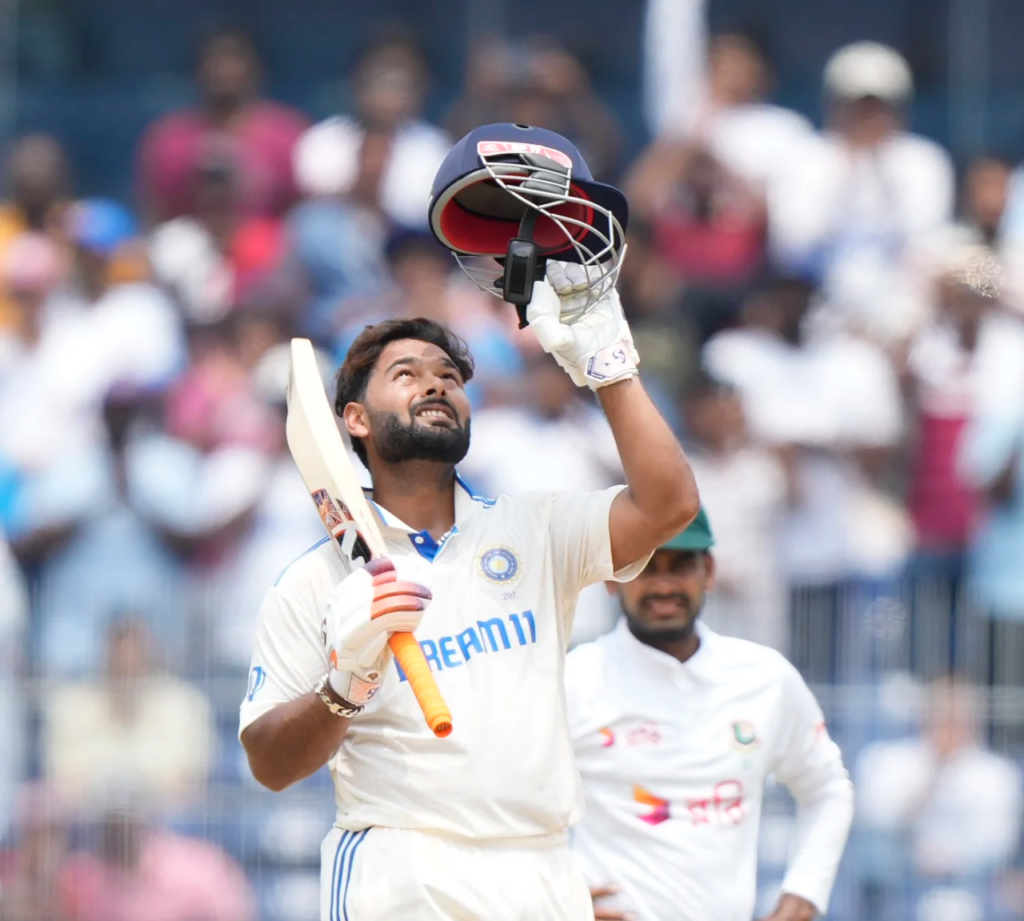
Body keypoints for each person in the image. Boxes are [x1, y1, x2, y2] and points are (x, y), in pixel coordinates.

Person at [239, 263, 699, 919]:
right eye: (407, 374)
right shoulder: (313, 582)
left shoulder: (535, 528)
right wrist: (345, 684)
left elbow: (671, 504)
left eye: (450, 377)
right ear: (355, 419)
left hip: (541, 866)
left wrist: (609, 360)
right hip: (403, 868)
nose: (436, 382)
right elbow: (269, 763)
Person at [566, 509, 854, 921]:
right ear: (611, 578)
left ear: (710, 571)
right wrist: (555, 898)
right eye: (645, 567)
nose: (664, 586)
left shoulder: (764, 678)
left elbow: (827, 789)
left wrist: (803, 894)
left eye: (681, 566)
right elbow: (509, 805)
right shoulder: (575, 678)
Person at [771, 41, 955, 345]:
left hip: (905, 314)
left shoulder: (923, 161)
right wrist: (847, 167)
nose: (869, 118)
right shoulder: (806, 159)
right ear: (836, 106)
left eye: (879, 107)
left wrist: (881, 169)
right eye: (858, 107)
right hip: (821, 313)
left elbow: (925, 245)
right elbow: (792, 248)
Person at [136, 27, 308, 223]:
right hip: (196, 243)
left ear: (255, 68)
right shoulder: (172, 139)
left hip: (268, 244)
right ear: (198, 70)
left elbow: (302, 212)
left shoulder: (286, 135)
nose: (223, 70)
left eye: (233, 60)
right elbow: (157, 214)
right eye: (214, 60)